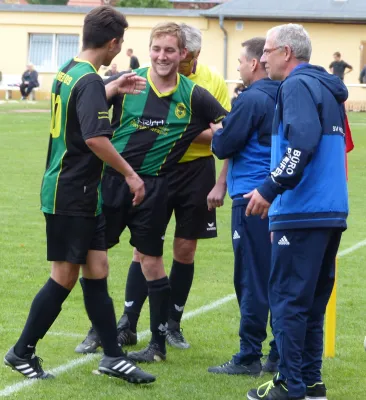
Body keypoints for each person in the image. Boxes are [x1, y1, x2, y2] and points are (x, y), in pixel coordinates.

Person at [4, 6, 155, 384]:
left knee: (98, 270)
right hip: (69, 193)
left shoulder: (71, 72)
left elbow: (81, 106)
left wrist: (112, 87)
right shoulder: (87, 80)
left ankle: (113, 357)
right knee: (64, 276)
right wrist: (132, 175)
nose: (118, 53)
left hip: (84, 194)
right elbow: (94, 138)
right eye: (119, 45)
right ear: (113, 42)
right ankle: (22, 351)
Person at [75, 23, 231, 355]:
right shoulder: (128, 82)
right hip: (112, 183)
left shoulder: (194, 94)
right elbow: (84, 106)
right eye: (157, 49)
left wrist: (224, 175)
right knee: (93, 257)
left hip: (155, 188)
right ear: (149, 50)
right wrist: (111, 88)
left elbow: (231, 132)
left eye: (170, 50)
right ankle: (100, 330)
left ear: (183, 54)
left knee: (152, 261)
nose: (162, 56)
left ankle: (157, 343)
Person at [245, 23, 348, 400]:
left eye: (268, 51)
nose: (263, 58)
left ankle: (289, 384)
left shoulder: (295, 85)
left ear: (286, 53)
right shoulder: (325, 87)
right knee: (311, 304)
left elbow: (301, 142)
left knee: (288, 300)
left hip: (304, 209)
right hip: (330, 209)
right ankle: (311, 382)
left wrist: (271, 188)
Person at [207, 37, 280, 376]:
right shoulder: (284, 93)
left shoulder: (251, 98)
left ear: (253, 64)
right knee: (278, 277)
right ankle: (278, 352)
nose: (237, 67)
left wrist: (218, 131)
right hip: (278, 195)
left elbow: (225, 145)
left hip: (251, 199)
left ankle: (249, 354)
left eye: (239, 61)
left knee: (251, 278)